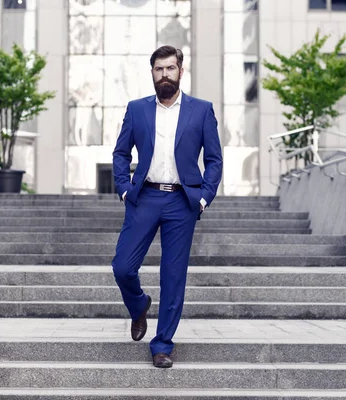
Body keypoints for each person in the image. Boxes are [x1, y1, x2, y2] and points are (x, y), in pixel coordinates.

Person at [112, 45, 223, 368]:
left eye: (170, 69)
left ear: (180, 71)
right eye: (159, 69)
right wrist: (123, 189)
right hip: (144, 197)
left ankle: (162, 345)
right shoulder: (137, 110)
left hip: (181, 201)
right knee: (122, 267)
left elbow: (214, 160)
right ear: (152, 73)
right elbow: (121, 153)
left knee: (173, 277)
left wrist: (203, 197)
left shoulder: (201, 111)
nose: (164, 75)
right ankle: (139, 306)